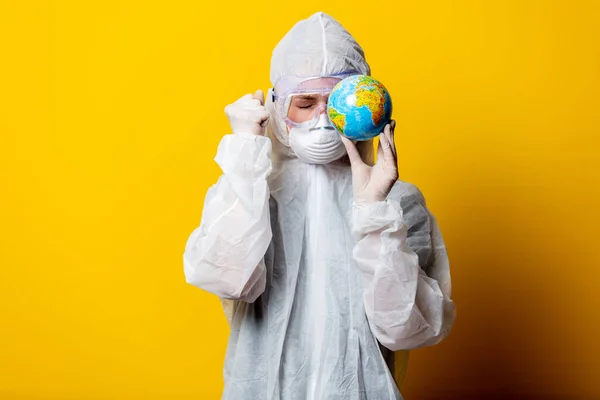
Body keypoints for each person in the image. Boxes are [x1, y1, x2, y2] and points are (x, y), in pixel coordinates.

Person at [183, 12, 456, 400]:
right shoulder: (251, 191)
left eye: (336, 105)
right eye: (305, 102)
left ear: (363, 105)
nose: (322, 119)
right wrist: (245, 158)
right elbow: (229, 280)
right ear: (277, 106)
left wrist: (373, 212)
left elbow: (406, 329)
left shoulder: (394, 201)